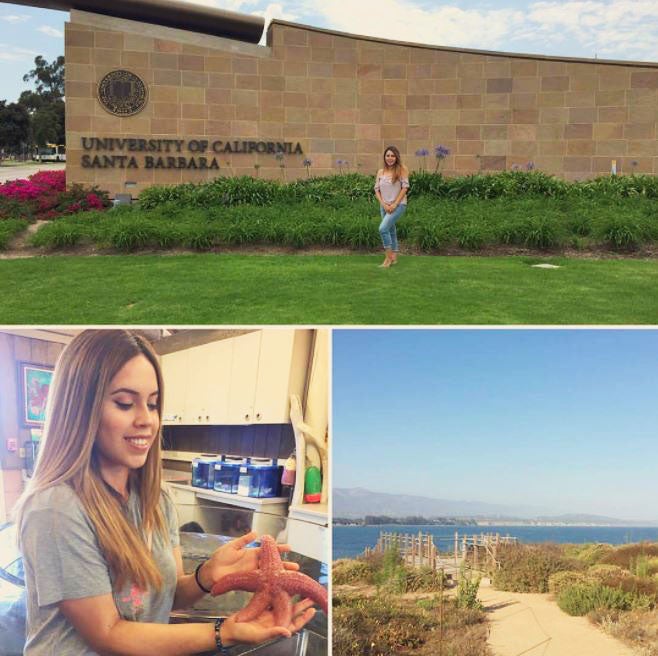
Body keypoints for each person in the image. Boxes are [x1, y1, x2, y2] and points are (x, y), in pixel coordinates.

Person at [13, 330, 315, 655]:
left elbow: (162, 597)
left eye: (153, 404)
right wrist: (223, 632)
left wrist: (206, 576)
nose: (147, 420)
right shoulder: (56, 509)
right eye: (125, 403)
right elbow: (108, 633)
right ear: (80, 409)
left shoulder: (156, 498)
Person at [374, 145, 410, 268]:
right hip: (384, 206)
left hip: (398, 205)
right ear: (384, 157)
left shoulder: (402, 169)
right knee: (390, 230)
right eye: (388, 155)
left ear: (396, 157)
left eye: (392, 156)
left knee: (383, 229)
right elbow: (376, 190)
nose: (390, 158)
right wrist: (383, 204)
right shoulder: (380, 172)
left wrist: (394, 204)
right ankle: (394, 257)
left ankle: (388, 258)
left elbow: (405, 187)